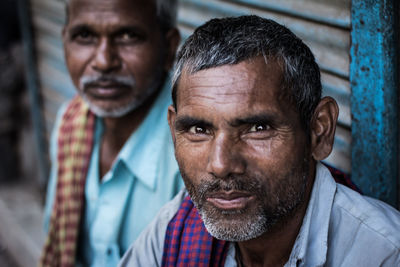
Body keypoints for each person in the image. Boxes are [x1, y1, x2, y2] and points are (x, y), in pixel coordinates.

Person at [120, 16, 400, 267]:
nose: (220, 165)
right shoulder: (173, 234)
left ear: (319, 131)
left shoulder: (382, 254)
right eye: (198, 129)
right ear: (173, 130)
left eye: (258, 128)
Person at [40, 0, 183, 266]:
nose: (104, 62)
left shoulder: (193, 153)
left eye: (128, 36)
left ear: (169, 48)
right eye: (84, 36)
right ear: (64, 41)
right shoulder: (70, 122)